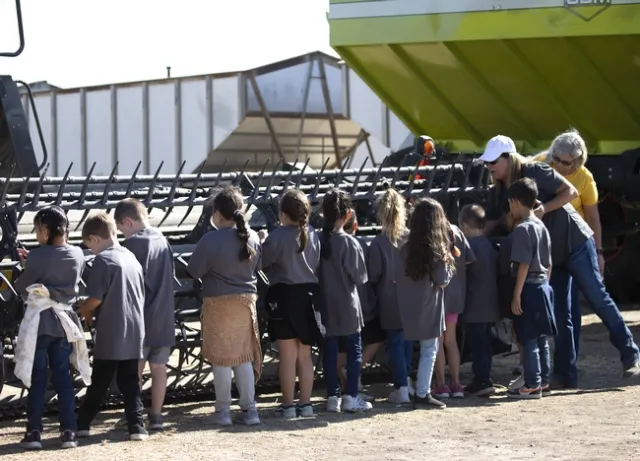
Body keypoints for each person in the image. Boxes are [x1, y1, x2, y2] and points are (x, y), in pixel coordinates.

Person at [479, 134, 640, 387]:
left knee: (598, 297)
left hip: (576, 242)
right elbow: (489, 224)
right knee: (562, 313)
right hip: (554, 255)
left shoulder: (535, 170)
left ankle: (630, 354)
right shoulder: (498, 190)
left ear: (508, 158)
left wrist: (544, 209)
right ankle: (565, 375)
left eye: (492, 162)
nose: (488, 167)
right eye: (486, 163)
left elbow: (570, 191)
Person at [13, 206, 90, 450]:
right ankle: (69, 432)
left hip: (40, 322)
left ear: (45, 230)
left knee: (37, 379)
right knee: (63, 377)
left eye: (37, 229)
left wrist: (29, 264)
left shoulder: (37, 256)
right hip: (65, 323)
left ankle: (34, 432)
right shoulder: (78, 254)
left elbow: (23, 285)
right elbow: (58, 267)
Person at [186, 185, 262, 426]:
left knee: (221, 359)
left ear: (217, 213)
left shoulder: (210, 239)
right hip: (245, 304)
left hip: (217, 304)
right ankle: (250, 410)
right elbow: (258, 267)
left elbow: (194, 271)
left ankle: (223, 412)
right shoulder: (253, 237)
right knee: (243, 357)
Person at [76, 213, 148, 441]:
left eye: (88, 245)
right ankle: (137, 427)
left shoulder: (103, 260)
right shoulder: (131, 258)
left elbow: (96, 299)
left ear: (94, 238)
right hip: (135, 330)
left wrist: (82, 309)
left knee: (100, 382)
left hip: (111, 331)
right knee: (130, 382)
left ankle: (82, 425)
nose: (90, 250)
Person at [534, 129, 603, 358]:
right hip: (544, 245)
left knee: (569, 307)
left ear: (577, 161)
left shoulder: (585, 178)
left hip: (572, 247)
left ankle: (567, 363)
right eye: (555, 158)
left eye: (563, 162)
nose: (558, 165)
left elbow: (593, 218)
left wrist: (598, 252)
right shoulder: (541, 164)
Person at [114, 198, 176, 431]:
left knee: (135, 371)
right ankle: (157, 415)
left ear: (127, 222)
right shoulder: (162, 239)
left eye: (121, 229)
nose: (122, 234)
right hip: (164, 316)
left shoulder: (133, 245)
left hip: (141, 319)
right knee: (160, 368)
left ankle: (134, 413)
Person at [261, 189, 321, 419]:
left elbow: (262, 262)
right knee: (305, 356)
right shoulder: (312, 233)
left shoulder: (277, 236)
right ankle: (305, 404)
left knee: (287, 356)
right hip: (309, 296)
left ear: (283, 214)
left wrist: (263, 241)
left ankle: (287, 406)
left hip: (284, 296)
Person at [395, 197, 454, 410]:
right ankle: (423, 392)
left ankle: (404, 387)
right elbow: (443, 281)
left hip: (406, 305)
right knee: (429, 348)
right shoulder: (436, 251)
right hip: (429, 306)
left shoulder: (404, 248)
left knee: (406, 347)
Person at [318, 189, 371, 413]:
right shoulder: (350, 243)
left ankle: (332, 396)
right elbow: (360, 277)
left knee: (329, 353)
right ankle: (351, 395)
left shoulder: (316, 240)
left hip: (324, 306)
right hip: (348, 307)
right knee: (354, 352)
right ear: (348, 215)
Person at [505, 178, 557, 399]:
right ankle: (544, 381)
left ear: (515, 202)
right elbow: (550, 262)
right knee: (542, 337)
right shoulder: (542, 226)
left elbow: (523, 264)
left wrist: (517, 295)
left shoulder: (522, 230)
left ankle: (532, 384)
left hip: (528, 287)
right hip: (544, 285)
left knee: (528, 338)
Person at [367, 188, 414, 404]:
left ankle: (401, 386)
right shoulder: (410, 237)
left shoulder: (378, 242)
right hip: (410, 298)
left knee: (395, 342)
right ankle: (407, 383)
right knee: (407, 342)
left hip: (388, 299)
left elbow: (374, 274)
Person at [339, 208, 385, 402]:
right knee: (375, 338)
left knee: (342, 348)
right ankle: (353, 377)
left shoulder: (333, 242)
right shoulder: (361, 245)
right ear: (356, 226)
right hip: (362, 304)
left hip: (340, 305)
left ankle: (344, 385)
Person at [458, 204, 500, 397]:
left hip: (474, 306)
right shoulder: (488, 244)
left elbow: (462, 274)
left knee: (478, 344)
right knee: (485, 343)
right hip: (490, 304)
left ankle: (482, 379)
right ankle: (485, 377)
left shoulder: (469, 247)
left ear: (465, 226)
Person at [433, 223, 475, 400]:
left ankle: (441, 385)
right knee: (451, 341)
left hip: (438, 296)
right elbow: (470, 258)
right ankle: (456, 384)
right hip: (457, 294)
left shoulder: (433, 231)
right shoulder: (457, 230)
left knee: (438, 341)